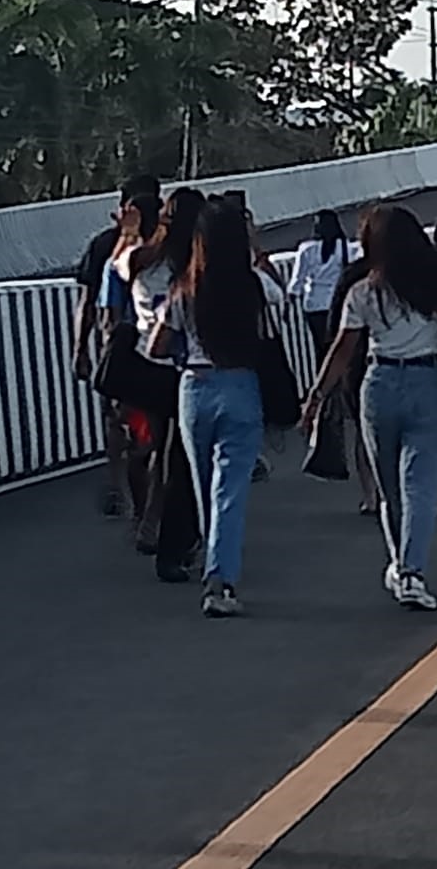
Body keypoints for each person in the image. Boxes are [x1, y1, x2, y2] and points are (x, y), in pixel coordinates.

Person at [305, 205, 437, 612]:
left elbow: (343, 350)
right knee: (420, 486)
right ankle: (411, 571)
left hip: (379, 384)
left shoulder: (363, 291)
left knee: (389, 487)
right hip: (427, 380)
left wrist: (317, 395)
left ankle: (401, 565)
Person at [148, 199, 287, 618]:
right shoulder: (254, 286)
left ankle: (213, 566)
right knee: (230, 491)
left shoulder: (184, 289)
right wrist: (258, 253)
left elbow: (154, 347)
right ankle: (219, 580)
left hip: (194, 387)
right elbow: (280, 304)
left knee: (204, 486)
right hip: (241, 385)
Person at [119, 188, 207, 578]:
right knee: (181, 458)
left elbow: (118, 267)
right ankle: (172, 530)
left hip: (145, 363)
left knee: (147, 445)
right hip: (185, 368)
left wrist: (134, 233)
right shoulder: (200, 265)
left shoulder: (143, 262)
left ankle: (146, 519)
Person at [74, 175, 160, 516]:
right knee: (154, 427)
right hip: (158, 351)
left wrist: (80, 348)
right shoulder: (170, 245)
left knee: (118, 420)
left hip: (117, 350)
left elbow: (89, 303)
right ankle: (152, 505)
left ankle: (117, 484)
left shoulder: (106, 246)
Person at [288, 209, 354, 357]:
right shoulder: (345, 247)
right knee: (339, 346)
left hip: (313, 303)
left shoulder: (306, 249)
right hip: (337, 301)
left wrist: (289, 302)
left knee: (321, 348)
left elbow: (297, 279)